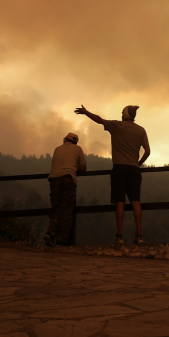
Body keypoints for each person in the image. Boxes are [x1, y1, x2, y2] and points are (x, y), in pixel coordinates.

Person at [74, 104, 150, 244]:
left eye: (122, 112)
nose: (121, 114)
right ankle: (139, 236)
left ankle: (119, 236)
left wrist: (85, 112)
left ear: (125, 115)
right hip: (134, 169)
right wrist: (138, 164)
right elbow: (147, 151)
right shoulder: (141, 130)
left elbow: (98, 119)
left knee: (120, 201)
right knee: (136, 201)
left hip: (119, 168)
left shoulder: (117, 126)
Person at [45, 133, 87, 247]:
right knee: (67, 209)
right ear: (76, 142)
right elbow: (83, 167)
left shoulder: (57, 149)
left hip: (54, 180)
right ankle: (62, 241)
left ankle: (50, 233)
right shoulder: (77, 149)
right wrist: (73, 168)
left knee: (56, 208)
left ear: (65, 140)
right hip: (68, 179)